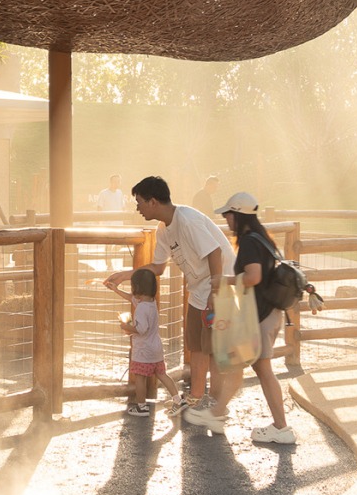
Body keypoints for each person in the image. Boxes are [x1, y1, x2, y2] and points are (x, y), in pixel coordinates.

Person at [106, 175, 232, 410]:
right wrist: (126, 274)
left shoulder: (187, 219)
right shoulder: (163, 230)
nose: (138, 208)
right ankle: (195, 397)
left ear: (153, 201)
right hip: (197, 290)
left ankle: (215, 402)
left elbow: (215, 253)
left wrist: (216, 292)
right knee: (196, 345)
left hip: (219, 285)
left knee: (213, 347)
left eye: (140, 202)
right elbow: (158, 267)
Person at [184, 191, 296, 444]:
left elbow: (254, 277)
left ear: (237, 215)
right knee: (242, 364)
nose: (226, 220)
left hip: (261, 315)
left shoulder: (248, 242)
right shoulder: (262, 238)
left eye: (228, 215)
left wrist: (226, 281)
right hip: (269, 313)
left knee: (257, 368)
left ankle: (280, 427)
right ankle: (218, 413)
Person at [108, 267, 180, 416]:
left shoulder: (141, 308)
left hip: (143, 350)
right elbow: (131, 298)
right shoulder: (151, 302)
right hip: (156, 348)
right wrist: (115, 289)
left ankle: (142, 407)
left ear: (137, 287)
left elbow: (141, 329)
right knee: (162, 374)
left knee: (140, 378)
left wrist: (126, 327)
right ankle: (178, 400)